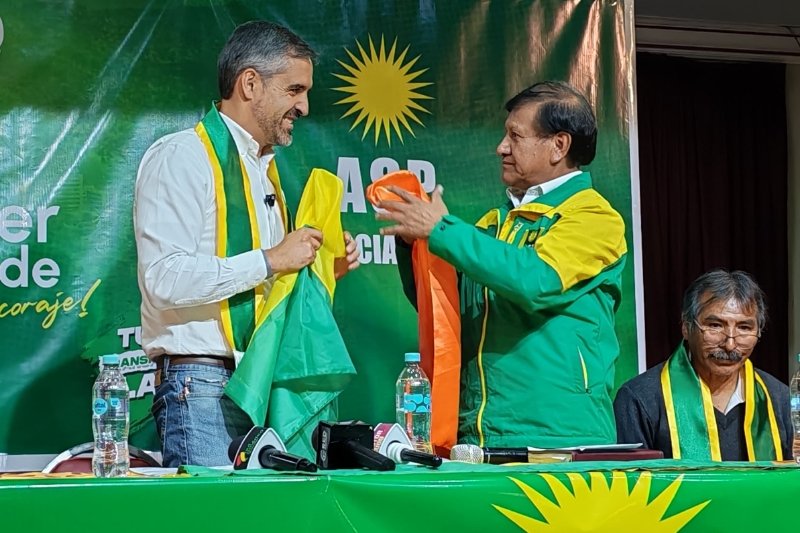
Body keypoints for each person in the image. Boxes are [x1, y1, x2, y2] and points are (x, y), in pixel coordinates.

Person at [134, 21, 359, 467]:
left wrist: (316, 271)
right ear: (250, 84)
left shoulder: (265, 172)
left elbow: (262, 285)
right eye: (294, 90)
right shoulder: (182, 156)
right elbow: (163, 279)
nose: (304, 106)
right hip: (202, 385)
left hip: (258, 381)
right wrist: (272, 259)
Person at [377, 81, 627, 448]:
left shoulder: (595, 217)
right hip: (480, 437)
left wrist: (440, 230)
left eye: (515, 136)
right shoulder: (493, 224)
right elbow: (445, 308)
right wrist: (412, 244)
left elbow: (536, 279)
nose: (501, 147)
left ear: (559, 145)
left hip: (559, 440)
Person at [614, 270, 791, 461]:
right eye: (715, 325)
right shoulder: (640, 398)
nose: (730, 344)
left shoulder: (778, 398)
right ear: (686, 327)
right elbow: (632, 478)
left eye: (744, 328)